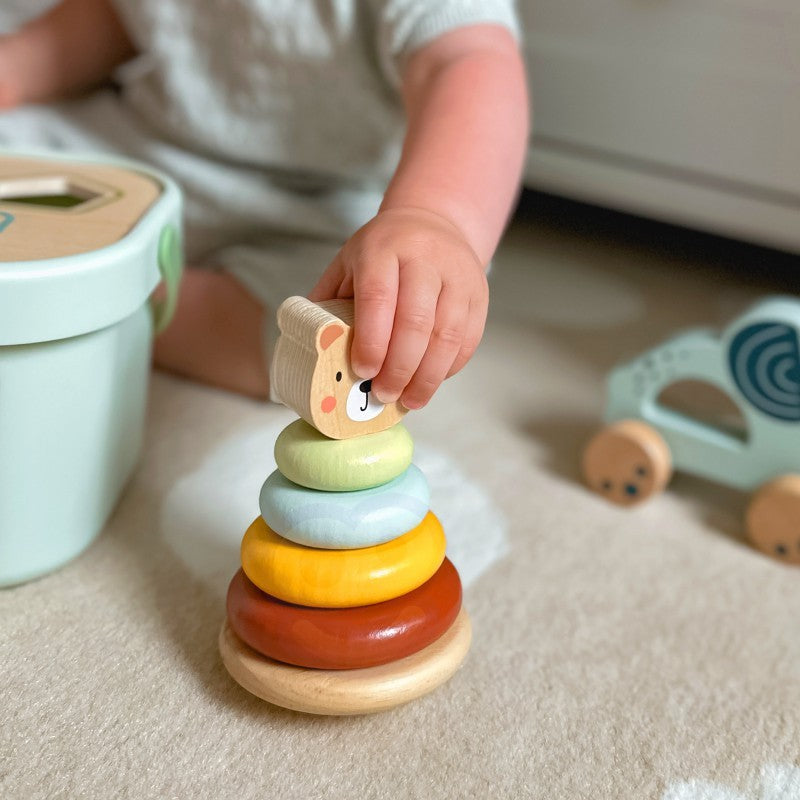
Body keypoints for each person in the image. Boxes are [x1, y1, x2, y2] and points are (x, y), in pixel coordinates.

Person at [0, 0, 528, 408]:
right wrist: (18, 66)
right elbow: (119, 17)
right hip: (142, 150)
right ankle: (68, 281)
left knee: (328, 339)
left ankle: (120, 301)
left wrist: (432, 218)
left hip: (323, 207)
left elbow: (464, 62)